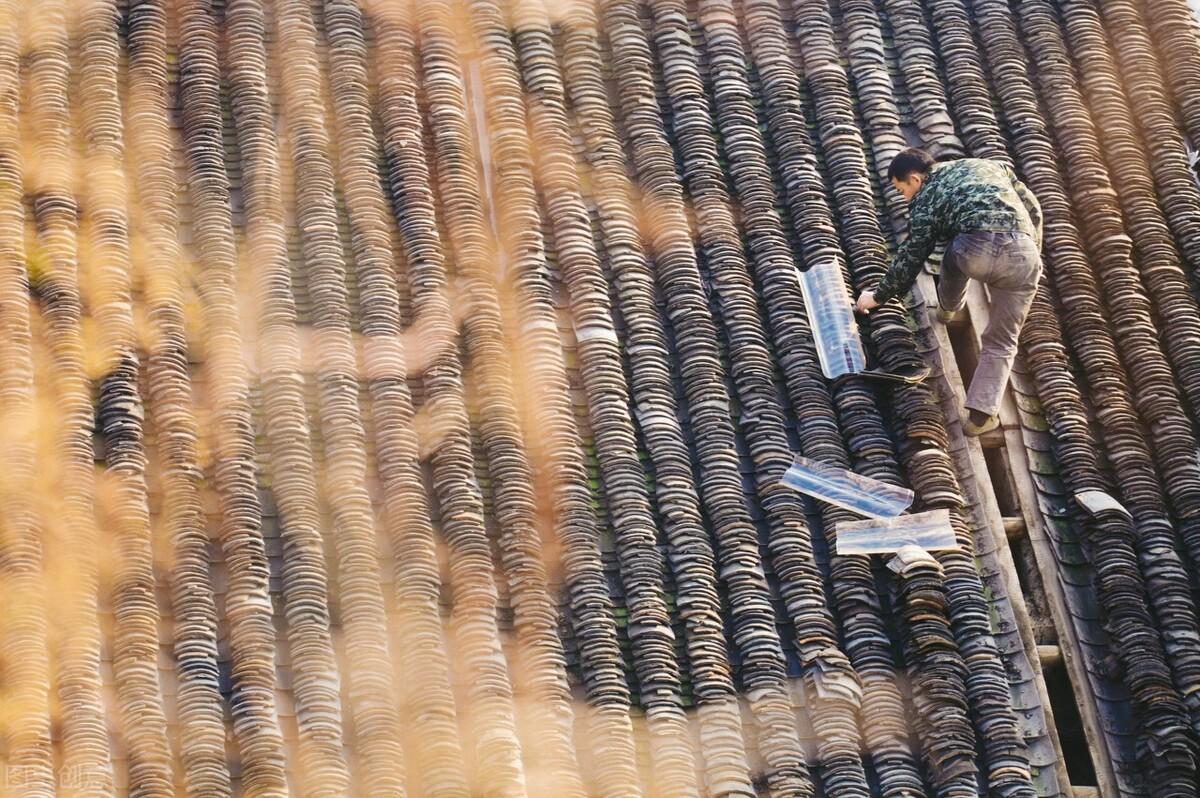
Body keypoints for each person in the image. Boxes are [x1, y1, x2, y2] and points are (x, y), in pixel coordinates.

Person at [855, 148, 1043, 437]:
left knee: (953, 254)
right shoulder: (991, 166)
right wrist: (1033, 249)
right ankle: (981, 416)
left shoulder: (925, 198)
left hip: (975, 249)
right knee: (1003, 340)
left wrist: (878, 296)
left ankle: (948, 306)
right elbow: (1032, 206)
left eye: (901, 189)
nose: (904, 197)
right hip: (1024, 255)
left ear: (915, 179)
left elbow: (913, 254)